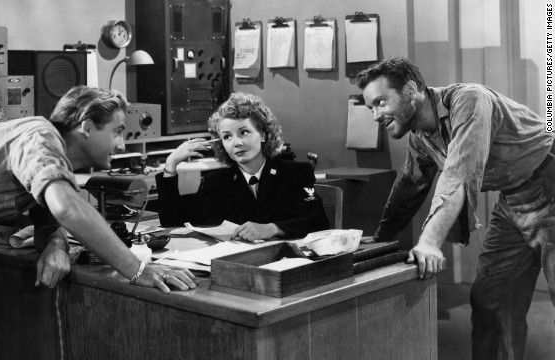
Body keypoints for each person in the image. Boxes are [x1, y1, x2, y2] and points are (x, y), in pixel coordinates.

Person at [356, 57, 554, 359]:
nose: (375, 115)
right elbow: (411, 183)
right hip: (513, 200)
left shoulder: (469, 99)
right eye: (370, 107)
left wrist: (430, 241)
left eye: (381, 102)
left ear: (411, 90)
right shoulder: (420, 136)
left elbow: (459, 173)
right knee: (490, 300)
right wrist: (382, 236)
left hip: (549, 183)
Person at [0, 85, 196, 293]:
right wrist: (139, 271)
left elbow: (49, 215)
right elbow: (67, 208)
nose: (121, 145)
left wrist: (57, 243)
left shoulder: (49, 153)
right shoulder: (41, 136)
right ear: (86, 126)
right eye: (117, 131)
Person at [156, 92, 329, 241]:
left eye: (244, 132)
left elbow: (318, 221)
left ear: (262, 134)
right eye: (227, 137)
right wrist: (171, 164)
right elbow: (173, 220)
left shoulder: (295, 173)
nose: (236, 143)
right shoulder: (216, 182)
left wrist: (273, 228)